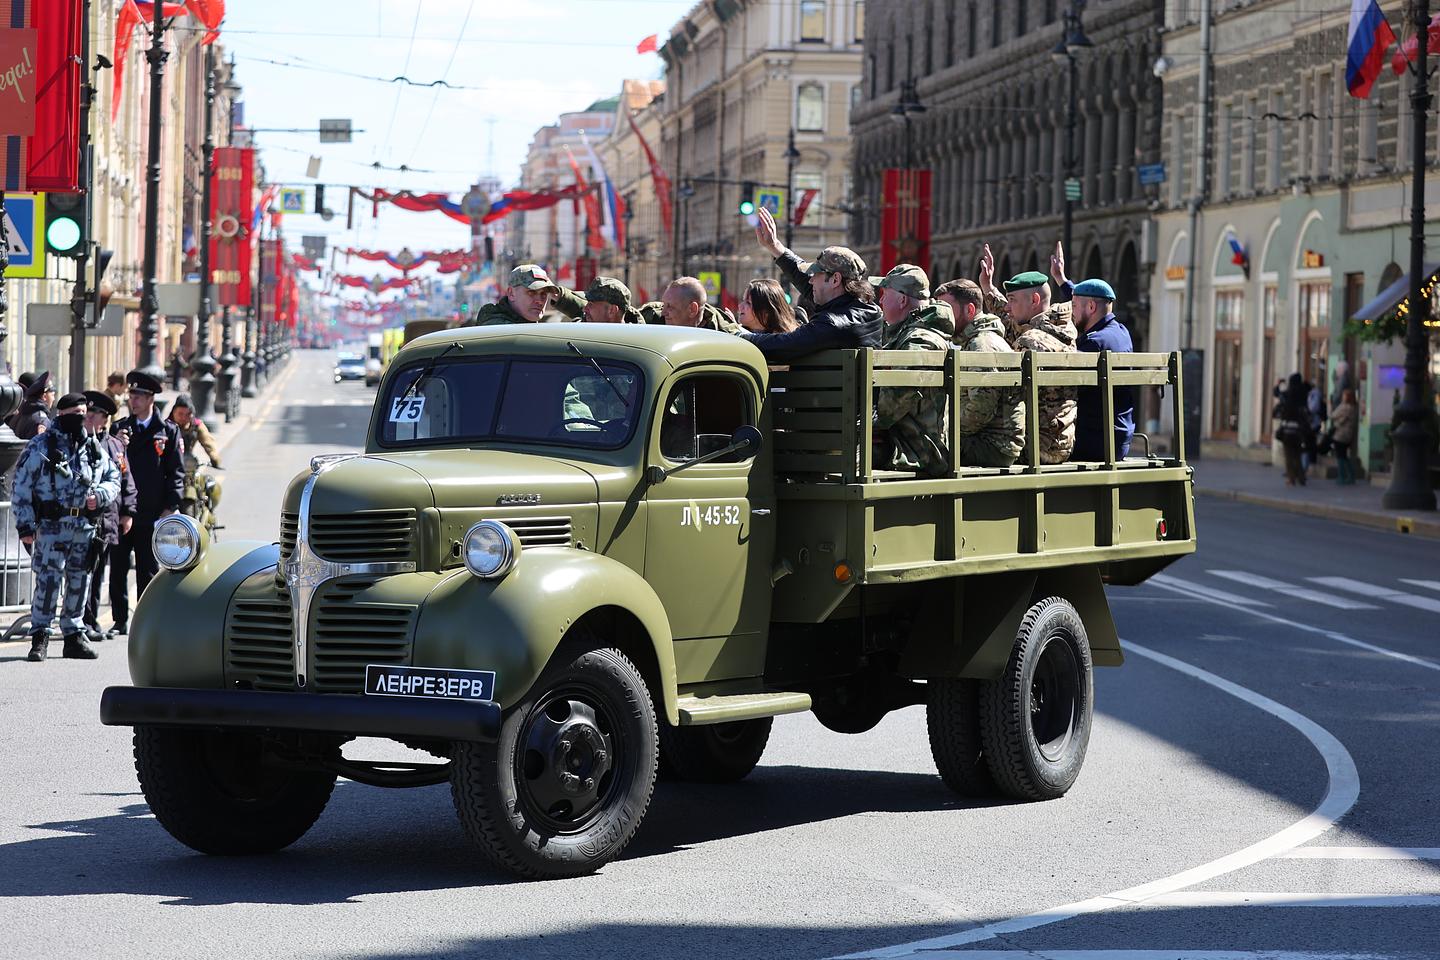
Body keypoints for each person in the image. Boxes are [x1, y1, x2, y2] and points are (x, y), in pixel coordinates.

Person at [12, 392, 121, 661]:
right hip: (51, 526)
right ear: (61, 415)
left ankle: (73, 636)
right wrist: (25, 526)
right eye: (76, 413)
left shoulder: (93, 447)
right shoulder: (42, 445)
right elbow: (21, 487)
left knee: (79, 581)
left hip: (83, 527)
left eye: (84, 413)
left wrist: (101, 496)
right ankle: (41, 637)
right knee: (48, 583)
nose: (81, 418)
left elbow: (113, 477)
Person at [980, 251, 1078, 463]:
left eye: (1012, 300)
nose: (1007, 306)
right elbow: (1010, 320)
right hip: (1059, 439)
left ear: (1034, 300)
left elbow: (1004, 395)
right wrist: (988, 288)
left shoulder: (1031, 341)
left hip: (1037, 444)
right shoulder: (1060, 325)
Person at [743, 213, 882, 363]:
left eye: (816, 275)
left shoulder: (832, 324)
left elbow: (783, 346)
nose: (811, 281)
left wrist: (740, 336)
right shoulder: (869, 311)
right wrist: (774, 246)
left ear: (835, 279)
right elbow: (802, 277)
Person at [108, 370, 185, 636]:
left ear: (151, 398)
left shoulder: (166, 431)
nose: (134, 400)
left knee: (148, 570)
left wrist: (170, 506)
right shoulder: (119, 428)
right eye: (131, 395)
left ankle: (144, 619)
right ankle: (119, 619)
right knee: (117, 568)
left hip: (151, 511)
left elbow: (176, 471)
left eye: (139, 396)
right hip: (121, 511)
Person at [872, 265, 957, 475]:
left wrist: (853, 425)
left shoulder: (919, 342)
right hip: (905, 442)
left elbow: (889, 408)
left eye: (885, 295)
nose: (880, 301)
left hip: (917, 451)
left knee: (837, 452)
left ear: (902, 300)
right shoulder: (908, 334)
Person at [936, 278, 1025, 467]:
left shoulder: (982, 344)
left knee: (918, 449)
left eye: (947, 309)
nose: (942, 317)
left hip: (992, 445)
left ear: (969, 310)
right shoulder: (976, 340)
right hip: (987, 440)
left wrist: (946, 432)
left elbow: (981, 408)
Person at [81, 390, 136, 643]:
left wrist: (127, 513)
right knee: (82, 572)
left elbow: (127, 482)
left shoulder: (115, 446)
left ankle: (89, 620)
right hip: (81, 519)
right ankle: (82, 620)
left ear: (105, 419)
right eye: (87, 413)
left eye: (95, 414)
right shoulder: (77, 441)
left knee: (98, 571)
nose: (89, 418)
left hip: (107, 520)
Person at [1070, 278, 1136, 461]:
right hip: (1119, 438)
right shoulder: (1121, 332)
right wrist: (1062, 281)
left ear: (1091, 307)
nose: (1071, 313)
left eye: (1074, 306)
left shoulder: (1094, 343)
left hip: (1093, 441)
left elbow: (1064, 387)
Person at [464, 264, 584, 326]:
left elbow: (595, 320)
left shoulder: (526, 322)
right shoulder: (495, 323)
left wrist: (563, 298)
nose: (540, 301)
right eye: (531, 292)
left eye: (544, 294)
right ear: (511, 293)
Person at [167, 393, 223, 519]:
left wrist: (215, 458)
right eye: (180, 414)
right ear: (173, 412)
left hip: (189, 464)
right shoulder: (166, 426)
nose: (183, 418)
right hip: (171, 465)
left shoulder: (196, 425)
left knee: (205, 486)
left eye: (187, 414)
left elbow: (208, 442)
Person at [659, 277, 745, 332]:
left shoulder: (723, 336)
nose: (663, 313)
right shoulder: (651, 323)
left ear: (692, 309)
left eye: (670, 306)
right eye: (664, 305)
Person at [1273, 372, 1312, 486]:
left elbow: (1276, 393)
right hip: (1300, 430)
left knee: (1289, 455)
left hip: (1288, 428)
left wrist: (1278, 384)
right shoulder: (1304, 393)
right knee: (1298, 454)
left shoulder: (1288, 395)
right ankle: (1301, 478)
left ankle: (1291, 478)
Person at [9, 371, 55, 440]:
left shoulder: (21, 414)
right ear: (44, 396)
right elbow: (40, 448)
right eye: (52, 395)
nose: (53, 399)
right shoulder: (41, 420)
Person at [1330, 387, 1359, 485]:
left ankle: (1342, 476)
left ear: (1347, 397)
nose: (1342, 397)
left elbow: (1333, 415)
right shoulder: (1354, 407)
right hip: (1348, 435)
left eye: (1344, 395)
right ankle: (1351, 476)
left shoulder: (1345, 407)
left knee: (1340, 457)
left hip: (1340, 434)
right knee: (1344, 456)